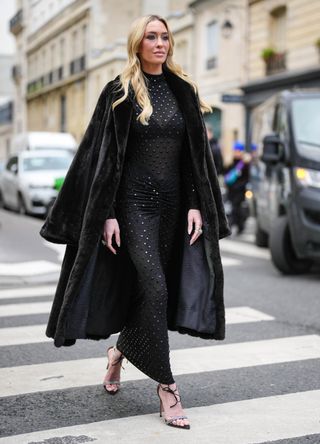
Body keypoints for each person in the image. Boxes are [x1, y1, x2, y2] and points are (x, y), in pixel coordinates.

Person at [40, 14, 230, 431]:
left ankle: (117, 353)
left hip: (175, 208)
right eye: (151, 37)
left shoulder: (184, 91)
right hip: (133, 206)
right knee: (156, 286)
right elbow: (101, 156)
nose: (160, 43)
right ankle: (167, 386)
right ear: (137, 44)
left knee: (150, 292)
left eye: (165, 37)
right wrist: (106, 213)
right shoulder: (120, 91)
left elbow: (195, 158)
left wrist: (198, 203)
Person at [224, 142, 251, 234]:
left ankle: (232, 226)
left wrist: (239, 186)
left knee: (236, 209)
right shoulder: (231, 162)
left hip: (239, 191)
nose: (236, 153)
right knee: (233, 209)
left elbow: (247, 179)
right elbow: (226, 175)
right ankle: (239, 226)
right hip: (231, 191)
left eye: (238, 151)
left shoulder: (245, 165)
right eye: (235, 151)